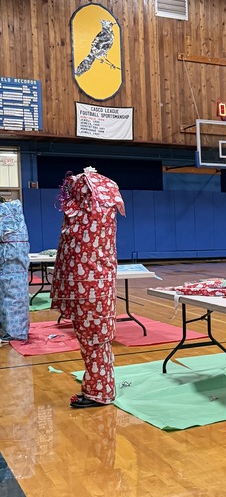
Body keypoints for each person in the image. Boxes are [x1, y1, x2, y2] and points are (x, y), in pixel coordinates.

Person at [51, 168, 125, 408]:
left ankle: (100, 392)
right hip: (92, 286)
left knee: (94, 339)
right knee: (93, 339)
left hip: (90, 287)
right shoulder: (92, 214)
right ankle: (98, 387)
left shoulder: (88, 217)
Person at [0, 197, 30, 342]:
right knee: (9, 293)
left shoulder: (7, 216)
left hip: (10, 261)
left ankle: (14, 332)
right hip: (13, 261)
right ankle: (12, 330)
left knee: (10, 294)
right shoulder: (13, 215)